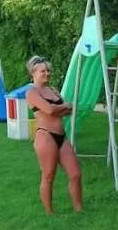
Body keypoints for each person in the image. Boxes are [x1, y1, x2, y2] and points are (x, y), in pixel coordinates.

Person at [25, 56, 83, 215]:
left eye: (48, 70)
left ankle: (79, 210)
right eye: (42, 71)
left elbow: (68, 111)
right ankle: (49, 213)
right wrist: (63, 106)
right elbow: (51, 110)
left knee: (75, 174)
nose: (47, 73)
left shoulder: (52, 90)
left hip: (62, 137)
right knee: (49, 175)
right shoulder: (31, 93)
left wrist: (60, 108)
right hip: (45, 136)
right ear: (33, 73)